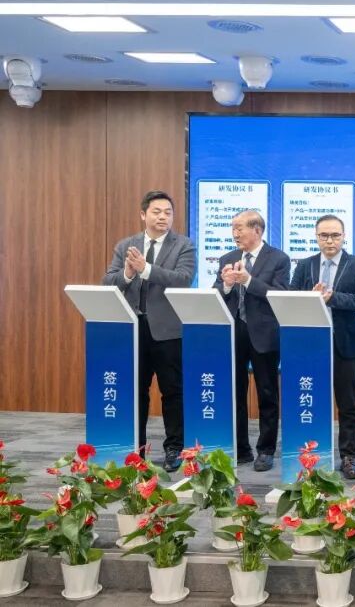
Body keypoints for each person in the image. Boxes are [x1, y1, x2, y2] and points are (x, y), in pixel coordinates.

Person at [102, 190, 194, 472]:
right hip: (133, 329)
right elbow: (108, 281)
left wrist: (146, 269)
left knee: (173, 392)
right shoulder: (126, 245)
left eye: (168, 212)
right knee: (135, 391)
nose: (163, 217)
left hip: (168, 331)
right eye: (157, 211)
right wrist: (128, 274)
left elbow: (183, 279)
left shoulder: (184, 245)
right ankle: (136, 449)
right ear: (143, 214)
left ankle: (174, 448)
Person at [290, 214, 355, 480]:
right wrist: (311, 298)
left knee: (348, 403)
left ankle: (348, 457)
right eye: (324, 235)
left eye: (335, 235)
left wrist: (332, 297)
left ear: (344, 236)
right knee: (311, 400)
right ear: (316, 237)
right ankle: (312, 456)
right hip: (311, 345)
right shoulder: (305, 265)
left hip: (345, 344)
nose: (330, 241)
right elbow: (291, 297)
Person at [214, 210, 290, 471]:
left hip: (264, 334)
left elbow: (280, 294)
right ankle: (241, 448)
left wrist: (248, 281)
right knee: (235, 392)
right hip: (234, 332)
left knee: (267, 393)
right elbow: (217, 294)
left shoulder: (278, 259)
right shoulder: (228, 258)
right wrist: (226, 285)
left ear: (257, 230)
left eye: (240, 228)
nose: (235, 233)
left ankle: (266, 450)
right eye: (233, 228)